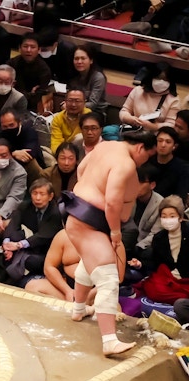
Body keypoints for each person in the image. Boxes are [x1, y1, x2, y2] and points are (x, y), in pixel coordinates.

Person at [61, 130, 156, 356]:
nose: (146, 161)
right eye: (148, 155)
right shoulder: (126, 163)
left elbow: (81, 169)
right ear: (141, 148)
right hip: (88, 220)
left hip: (79, 213)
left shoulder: (105, 146)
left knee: (90, 262)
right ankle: (109, 341)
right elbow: (113, 203)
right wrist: (115, 231)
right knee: (108, 277)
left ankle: (78, 309)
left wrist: (91, 189)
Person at [2, 178, 62, 283]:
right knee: (12, 239)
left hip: (45, 251)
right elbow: (13, 224)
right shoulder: (25, 206)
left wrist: (19, 245)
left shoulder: (55, 212)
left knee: (31, 261)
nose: (38, 198)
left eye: (42, 194)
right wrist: (7, 244)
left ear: (50, 196)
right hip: (26, 247)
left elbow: (44, 236)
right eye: (35, 193)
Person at [138, 195, 189, 303]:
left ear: (180, 217)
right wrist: (140, 264)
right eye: (164, 216)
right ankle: (182, 300)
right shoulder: (159, 238)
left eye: (172, 216)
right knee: (153, 289)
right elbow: (156, 264)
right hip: (168, 279)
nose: (167, 220)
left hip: (186, 278)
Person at [119, 62, 181, 131]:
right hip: (134, 131)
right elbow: (124, 111)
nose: (161, 81)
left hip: (156, 137)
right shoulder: (138, 91)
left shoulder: (174, 100)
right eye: (158, 78)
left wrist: (153, 126)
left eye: (165, 79)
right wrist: (129, 118)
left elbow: (171, 124)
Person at [8, 33, 51, 112]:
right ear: (19, 48)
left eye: (32, 47)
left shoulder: (44, 70)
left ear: (39, 50)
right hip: (10, 104)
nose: (28, 50)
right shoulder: (11, 64)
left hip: (31, 109)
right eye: (25, 46)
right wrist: (30, 94)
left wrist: (18, 93)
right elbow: (6, 90)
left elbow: (37, 99)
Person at [149, 126, 189, 200]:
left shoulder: (183, 168)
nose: (163, 145)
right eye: (160, 141)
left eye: (168, 142)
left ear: (174, 146)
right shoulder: (148, 162)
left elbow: (181, 195)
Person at [69, 45, 107, 115]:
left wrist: (70, 106)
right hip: (75, 110)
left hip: (95, 113)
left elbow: (93, 104)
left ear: (91, 60)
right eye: (76, 59)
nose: (79, 62)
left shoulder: (98, 77)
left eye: (83, 58)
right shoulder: (73, 76)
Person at [50, 89, 91, 155]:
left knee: (80, 138)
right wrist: (62, 155)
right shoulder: (57, 118)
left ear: (84, 102)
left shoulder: (88, 116)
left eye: (77, 101)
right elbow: (56, 142)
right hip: (64, 152)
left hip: (83, 152)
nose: (73, 104)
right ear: (65, 101)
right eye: (70, 100)